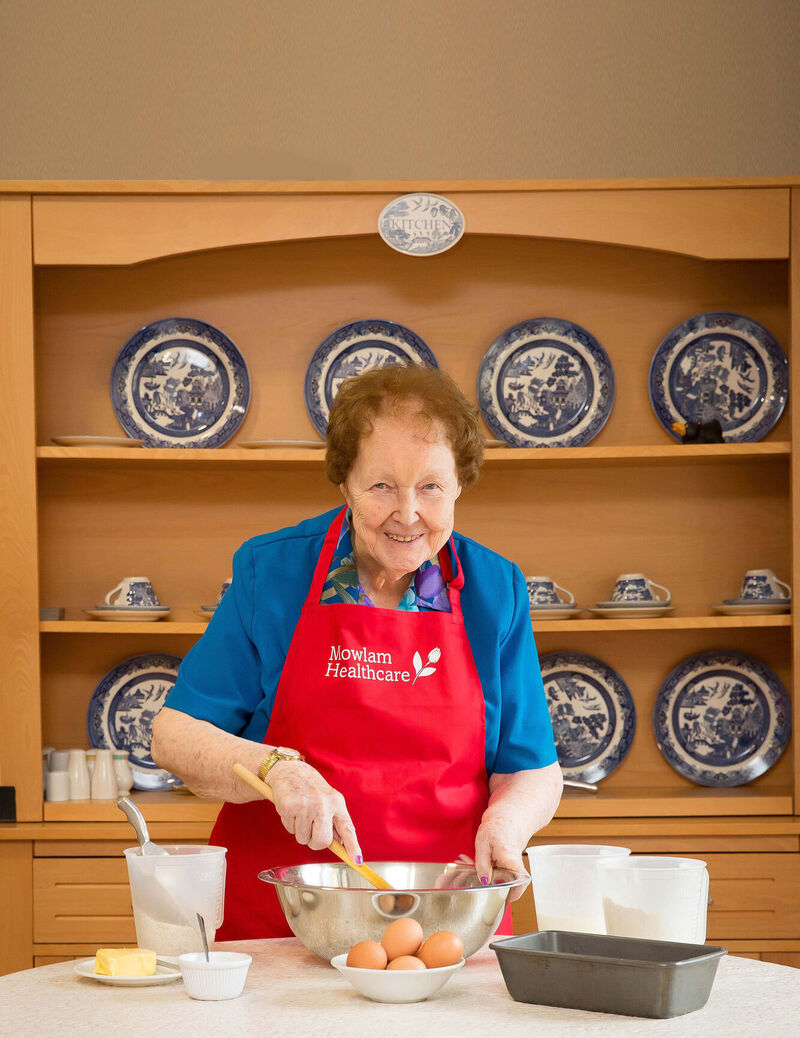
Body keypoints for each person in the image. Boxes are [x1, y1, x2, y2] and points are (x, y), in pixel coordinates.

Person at [151, 364, 562, 938]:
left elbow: (531, 768)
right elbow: (174, 735)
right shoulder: (272, 572)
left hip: (447, 921)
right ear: (344, 480)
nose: (408, 512)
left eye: (431, 487)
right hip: (285, 920)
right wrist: (278, 770)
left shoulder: (496, 589)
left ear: (460, 484)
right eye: (381, 486)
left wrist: (508, 824)